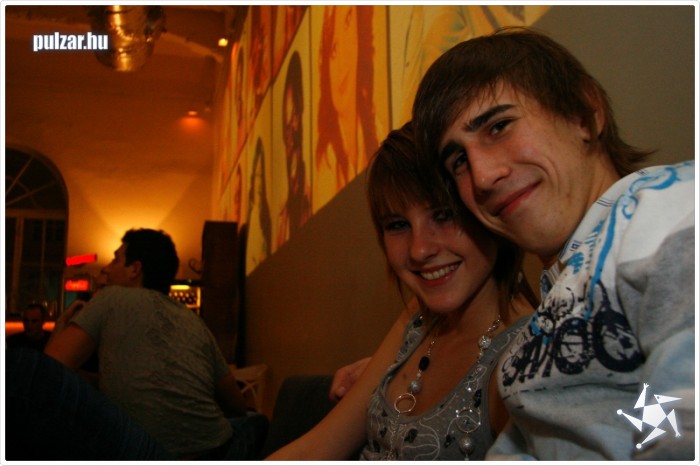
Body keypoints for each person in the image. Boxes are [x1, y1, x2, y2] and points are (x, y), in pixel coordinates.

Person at [410, 26, 694, 461]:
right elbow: (635, 413)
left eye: (499, 127)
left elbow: (685, 429)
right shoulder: (555, 307)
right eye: (459, 161)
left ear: (583, 114)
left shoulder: (668, 208)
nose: (482, 176)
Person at [267, 123, 537, 460]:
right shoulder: (419, 317)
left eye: (443, 215)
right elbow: (318, 447)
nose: (419, 249)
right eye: (397, 225)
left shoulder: (525, 360)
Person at [35, 228, 266, 460]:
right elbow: (235, 405)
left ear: (135, 269)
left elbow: (47, 374)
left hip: (143, 452)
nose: (106, 269)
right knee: (257, 421)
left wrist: (61, 326)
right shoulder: (194, 321)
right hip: (216, 452)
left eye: (116, 260)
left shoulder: (110, 298)